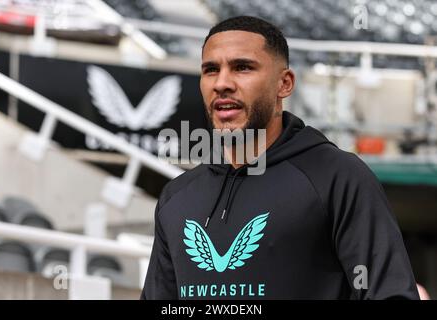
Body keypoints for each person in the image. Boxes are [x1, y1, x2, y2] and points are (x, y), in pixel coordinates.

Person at [141, 16, 419, 300]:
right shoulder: (176, 198)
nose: (222, 83)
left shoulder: (338, 178)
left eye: (242, 67)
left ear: (284, 84)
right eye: (211, 70)